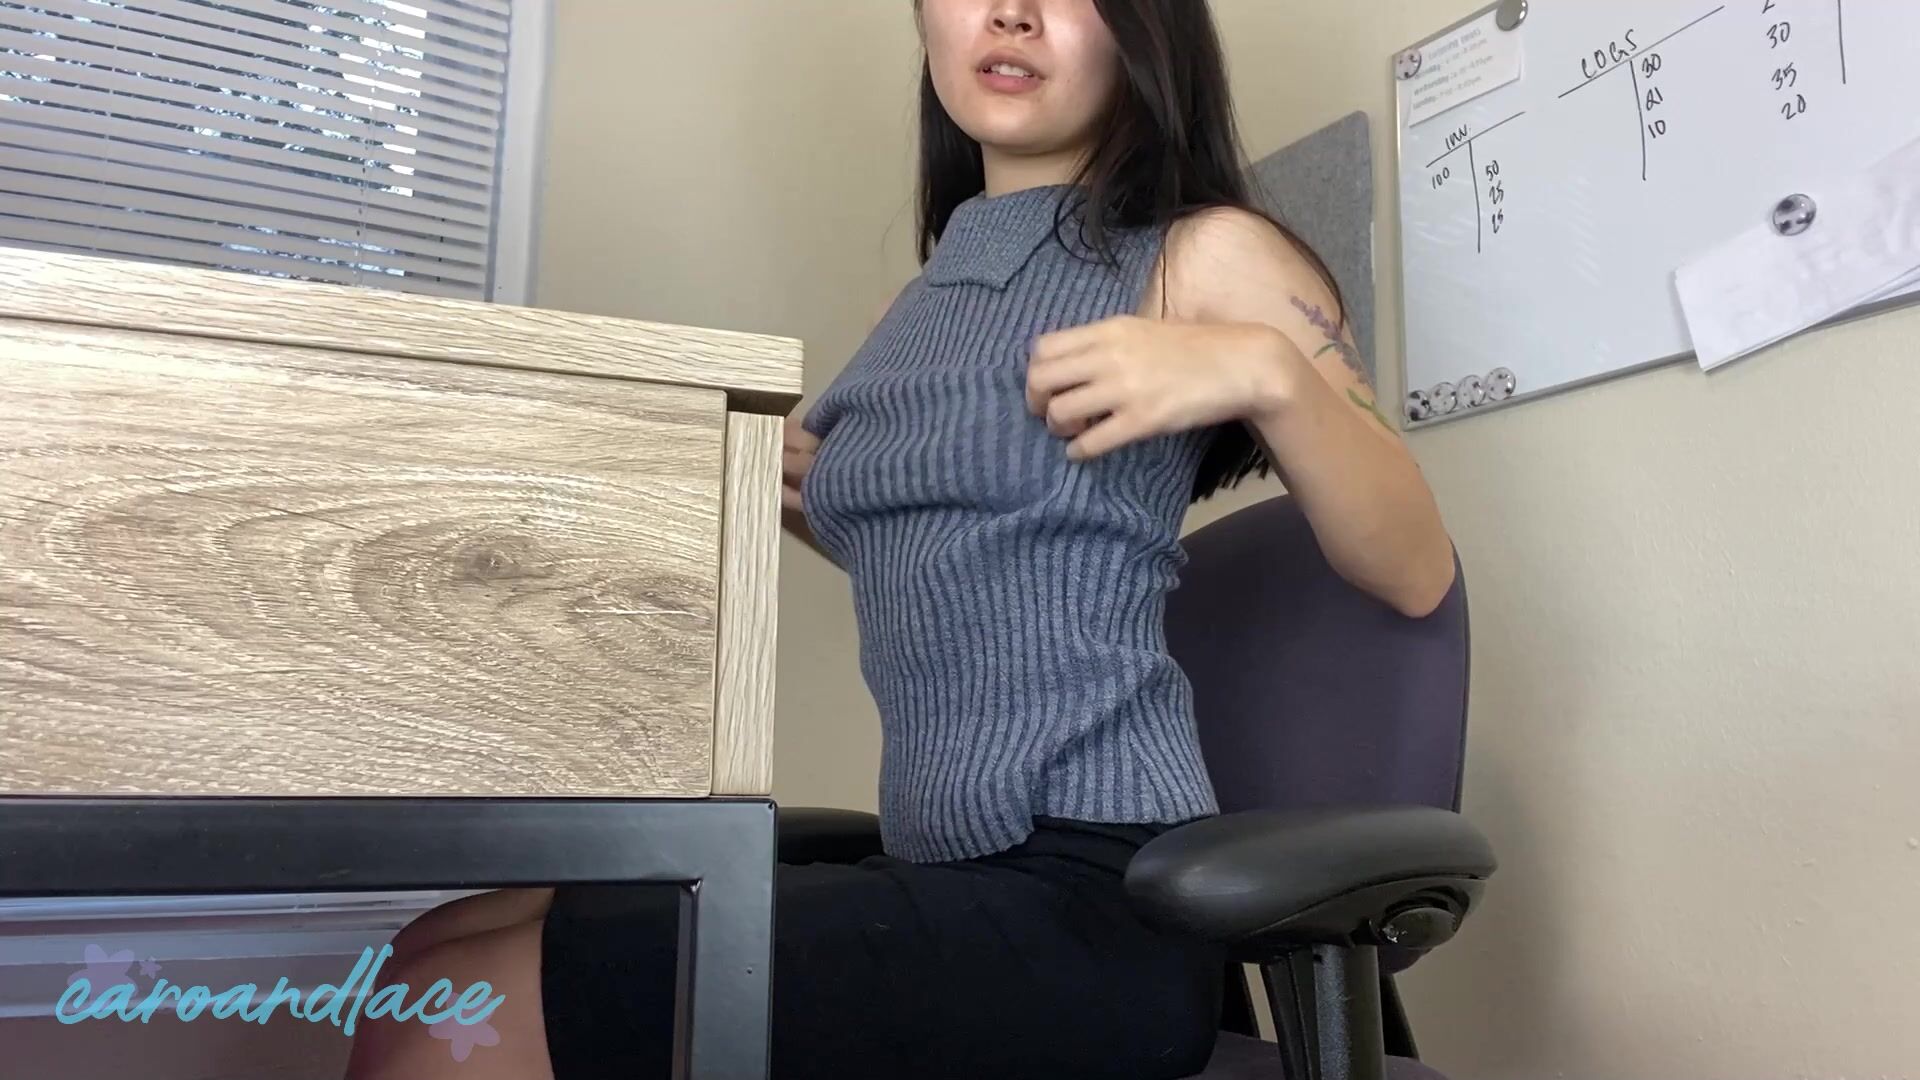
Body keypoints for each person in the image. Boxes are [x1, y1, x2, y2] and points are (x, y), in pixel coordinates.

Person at [341, 1, 1454, 1077]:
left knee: (461, 1012)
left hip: (1096, 902)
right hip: (939, 864)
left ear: (1141, 26)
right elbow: (973, 551)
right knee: (435, 949)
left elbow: (1414, 573)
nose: (1010, 14)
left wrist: (1263, 368)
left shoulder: (1204, 253)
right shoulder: (913, 310)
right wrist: (814, 498)